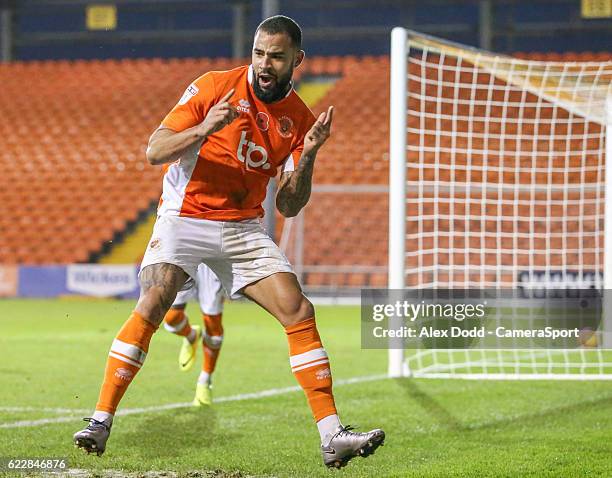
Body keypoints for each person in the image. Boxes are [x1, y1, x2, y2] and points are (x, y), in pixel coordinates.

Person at [73, 15, 384, 468]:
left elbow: (291, 206)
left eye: (276, 56)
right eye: (259, 53)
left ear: (297, 60)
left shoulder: (298, 119)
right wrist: (204, 128)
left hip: (241, 227)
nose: (264, 63)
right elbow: (154, 151)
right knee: (155, 300)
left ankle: (331, 435)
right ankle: (100, 420)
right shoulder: (214, 86)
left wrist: (311, 152)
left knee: (298, 310)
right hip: (185, 217)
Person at [162, 262, 225, 406]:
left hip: (211, 261)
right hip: (184, 256)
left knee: (213, 327)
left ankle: (205, 380)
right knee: (171, 318)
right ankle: (192, 336)